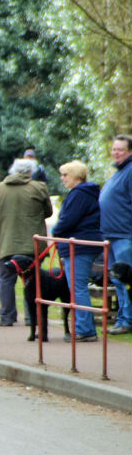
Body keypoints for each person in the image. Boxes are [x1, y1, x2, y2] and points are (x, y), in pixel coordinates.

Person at [0, 158, 53, 326]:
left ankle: (7, 317)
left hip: (5, 243)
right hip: (33, 245)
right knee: (33, 281)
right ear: (31, 172)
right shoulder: (39, 188)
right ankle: (31, 317)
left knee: (5, 281)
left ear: (12, 170)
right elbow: (48, 212)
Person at [50, 160, 102, 342]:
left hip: (79, 245)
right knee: (77, 287)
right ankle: (84, 327)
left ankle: (85, 329)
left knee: (77, 288)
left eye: (65, 175)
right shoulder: (84, 193)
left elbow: (68, 220)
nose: (62, 178)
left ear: (76, 176)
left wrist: (55, 231)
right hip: (82, 244)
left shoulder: (79, 194)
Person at [99, 134, 132, 335]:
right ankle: (122, 318)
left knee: (126, 280)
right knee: (117, 280)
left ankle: (127, 320)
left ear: (129, 152)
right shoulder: (118, 172)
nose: (116, 153)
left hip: (125, 236)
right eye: (114, 149)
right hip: (111, 235)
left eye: (120, 149)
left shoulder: (129, 172)